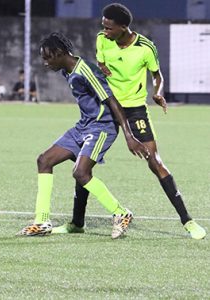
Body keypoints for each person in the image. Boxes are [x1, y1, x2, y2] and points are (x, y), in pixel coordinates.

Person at [53, 3, 207, 240]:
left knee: (154, 161)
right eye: (103, 26)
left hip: (134, 109)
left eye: (110, 28)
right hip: (106, 109)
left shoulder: (146, 47)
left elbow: (157, 75)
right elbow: (102, 64)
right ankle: (77, 223)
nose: (105, 32)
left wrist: (158, 92)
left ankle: (188, 221)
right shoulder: (102, 40)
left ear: (124, 27)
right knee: (83, 166)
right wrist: (102, 67)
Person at [17, 32, 149, 239]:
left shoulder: (84, 71)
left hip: (102, 128)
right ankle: (42, 221)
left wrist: (129, 136)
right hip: (83, 127)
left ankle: (121, 213)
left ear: (59, 53)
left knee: (81, 173)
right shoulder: (67, 71)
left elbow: (112, 101)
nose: (45, 63)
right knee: (44, 160)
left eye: (47, 57)